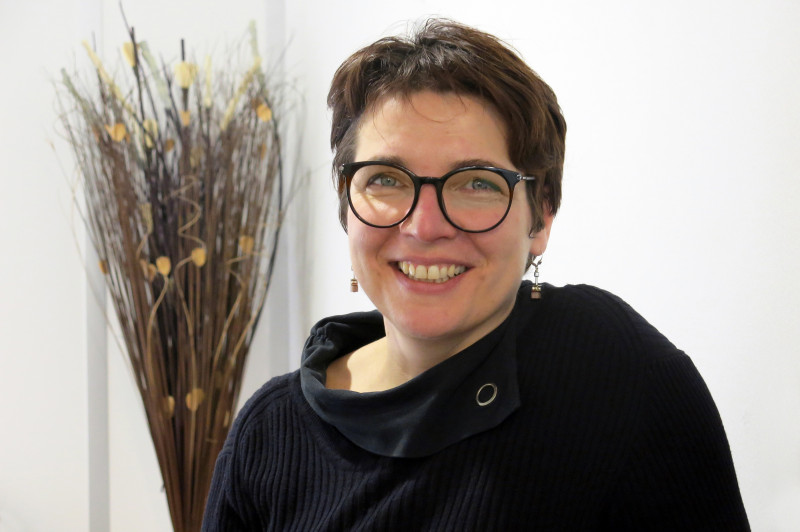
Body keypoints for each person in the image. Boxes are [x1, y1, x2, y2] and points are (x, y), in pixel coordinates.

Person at [203, 19, 749, 530]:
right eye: (386, 179)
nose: (424, 226)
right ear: (347, 207)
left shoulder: (614, 374)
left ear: (541, 217)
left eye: (477, 183)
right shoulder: (267, 435)